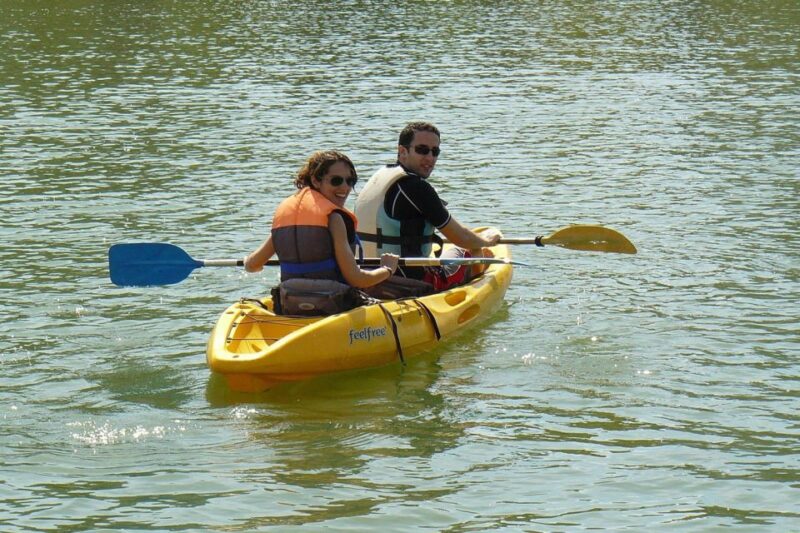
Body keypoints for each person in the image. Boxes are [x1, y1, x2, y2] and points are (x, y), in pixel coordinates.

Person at [244, 150, 399, 314]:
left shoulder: (286, 216)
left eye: (350, 181)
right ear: (315, 181)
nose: (345, 187)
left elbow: (252, 266)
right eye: (336, 181)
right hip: (334, 306)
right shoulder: (334, 219)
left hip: (291, 304)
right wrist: (387, 269)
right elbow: (357, 279)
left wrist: (248, 261)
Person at [355, 121, 501, 292]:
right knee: (471, 250)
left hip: (366, 275)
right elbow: (461, 237)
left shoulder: (380, 176)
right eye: (422, 150)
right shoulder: (416, 187)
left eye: (435, 151)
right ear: (402, 151)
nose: (430, 158)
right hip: (407, 280)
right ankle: (476, 290)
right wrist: (486, 241)